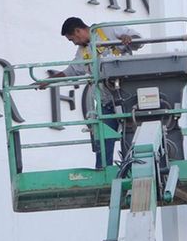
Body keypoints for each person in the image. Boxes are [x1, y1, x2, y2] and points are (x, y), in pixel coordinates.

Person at [47, 17, 140, 169]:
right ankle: (104, 174)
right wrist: (49, 81)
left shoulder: (108, 30)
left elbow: (138, 40)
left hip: (128, 98)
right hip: (107, 102)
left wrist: (128, 39)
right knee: (102, 141)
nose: (75, 43)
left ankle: (132, 169)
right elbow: (72, 70)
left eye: (72, 39)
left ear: (78, 31)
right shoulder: (83, 51)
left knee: (130, 138)